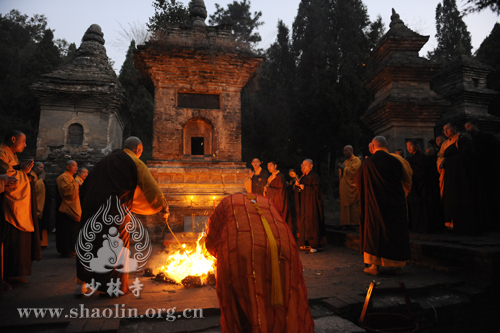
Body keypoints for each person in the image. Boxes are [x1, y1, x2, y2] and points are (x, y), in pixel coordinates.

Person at [206, 193, 314, 333]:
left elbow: (212, 238)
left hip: (245, 251)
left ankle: (257, 326)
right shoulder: (268, 202)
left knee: (251, 294)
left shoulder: (226, 205)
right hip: (285, 247)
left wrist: (214, 252)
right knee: (285, 291)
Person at [76, 136, 168, 297]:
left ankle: (81, 285)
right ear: (138, 150)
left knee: (90, 244)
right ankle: (112, 288)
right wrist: (163, 206)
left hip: (91, 208)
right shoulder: (135, 162)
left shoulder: (104, 161)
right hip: (115, 211)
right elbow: (150, 187)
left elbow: (87, 184)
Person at [355, 136, 412, 276]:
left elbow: (358, 181)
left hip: (375, 203)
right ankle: (398, 265)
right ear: (386, 145)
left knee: (376, 231)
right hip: (395, 203)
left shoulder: (367, 163)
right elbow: (407, 179)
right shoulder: (397, 160)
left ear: (373, 147)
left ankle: (374, 265)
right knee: (395, 230)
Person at [0, 130, 41, 285]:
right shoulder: (2, 153)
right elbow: (8, 177)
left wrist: (21, 170)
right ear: (13, 139)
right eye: (23, 141)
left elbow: (14, 171)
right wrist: (23, 173)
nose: (25, 144)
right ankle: (8, 273)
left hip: (17, 204)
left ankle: (14, 272)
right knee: (10, 238)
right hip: (9, 205)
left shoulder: (11, 154)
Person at [437, 123, 481, 234]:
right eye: (444, 130)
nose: (446, 131)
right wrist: (442, 163)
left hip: (461, 174)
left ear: (455, 128)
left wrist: (448, 162)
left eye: (447, 129)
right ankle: (451, 224)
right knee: (449, 198)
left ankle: (463, 224)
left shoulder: (462, 139)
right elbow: (440, 157)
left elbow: (466, 156)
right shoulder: (445, 143)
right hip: (449, 174)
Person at [465, 121, 500, 231]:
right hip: (479, 173)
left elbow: (494, 152)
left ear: (476, 125)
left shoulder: (487, 137)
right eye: (466, 128)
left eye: (469, 126)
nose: (468, 129)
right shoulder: (470, 141)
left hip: (490, 171)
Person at [405, 140, 441, 233]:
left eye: (410, 146)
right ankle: (415, 226)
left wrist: (411, 169)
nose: (409, 148)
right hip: (413, 186)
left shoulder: (422, 157)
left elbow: (423, 170)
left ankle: (425, 226)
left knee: (424, 207)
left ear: (416, 146)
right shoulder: (408, 158)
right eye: (407, 146)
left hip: (422, 185)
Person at [296, 159, 325, 253]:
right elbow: (301, 190)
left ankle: (314, 244)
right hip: (305, 204)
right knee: (305, 221)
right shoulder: (304, 177)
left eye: (305, 165)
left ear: (311, 166)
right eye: (302, 165)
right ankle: (305, 243)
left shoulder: (315, 176)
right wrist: (298, 186)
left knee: (312, 222)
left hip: (312, 204)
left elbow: (316, 190)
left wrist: (305, 188)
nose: (303, 167)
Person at [56, 160, 81, 258]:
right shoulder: (63, 177)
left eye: (76, 166)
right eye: (73, 166)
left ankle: (72, 249)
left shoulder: (71, 177)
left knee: (72, 231)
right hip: (65, 207)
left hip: (73, 206)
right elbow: (67, 193)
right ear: (67, 167)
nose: (76, 168)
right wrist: (76, 184)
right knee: (66, 231)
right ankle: (65, 251)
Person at [264, 161, 293, 233]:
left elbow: (281, 191)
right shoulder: (270, 177)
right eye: (268, 166)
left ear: (275, 166)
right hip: (272, 201)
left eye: (271, 166)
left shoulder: (280, 176)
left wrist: (268, 189)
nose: (269, 168)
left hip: (279, 201)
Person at [338, 145, 361, 228]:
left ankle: (355, 223)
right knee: (345, 205)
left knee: (354, 205)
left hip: (352, 187)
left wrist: (344, 168)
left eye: (346, 151)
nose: (344, 152)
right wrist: (341, 169)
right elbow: (343, 173)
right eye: (344, 151)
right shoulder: (345, 162)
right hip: (345, 187)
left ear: (351, 151)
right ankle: (345, 223)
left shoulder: (356, 160)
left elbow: (354, 171)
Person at [30, 162, 50, 247]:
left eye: (43, 168)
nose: (42, 170)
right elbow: (35, 188)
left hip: (41, 204)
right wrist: (41, 179)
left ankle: (41, 243)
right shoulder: (31, 175)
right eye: (40, 167)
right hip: (35, 205)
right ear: (34, 168)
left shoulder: (37, 176)